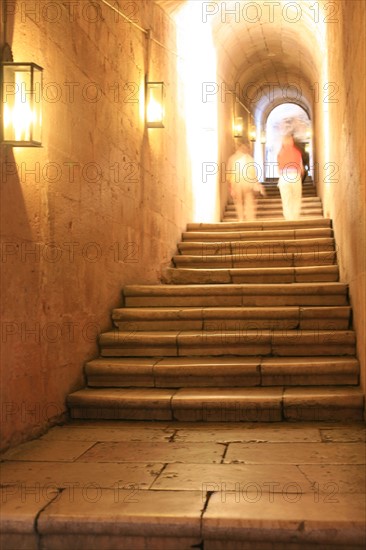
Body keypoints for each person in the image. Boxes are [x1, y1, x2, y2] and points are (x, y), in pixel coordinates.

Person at [227, 140, 265, 221]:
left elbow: (229, 174)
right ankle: (250, 218)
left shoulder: (232, 158)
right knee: (249, 201)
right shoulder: (249, 158)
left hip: (237, 183)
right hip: (248, 183)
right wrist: (256, 183)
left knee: (239, 202)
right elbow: (253, 173)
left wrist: (230, 187)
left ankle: (241, 219)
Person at [277, 134, 304, 220]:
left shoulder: (280, 153)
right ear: (292, 142)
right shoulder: (297, 152)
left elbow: (278, 168)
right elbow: (302, 168)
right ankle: (295, 217)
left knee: (286, 199)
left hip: (284, 177)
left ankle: (288, 218)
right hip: (295, 176)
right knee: (296, 198)